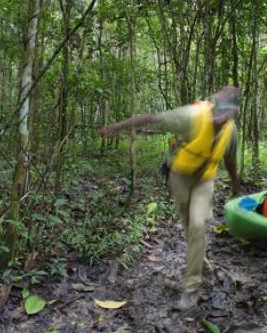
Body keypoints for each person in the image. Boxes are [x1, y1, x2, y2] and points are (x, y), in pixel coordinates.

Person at [101, 86, 241, 311]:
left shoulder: (231, 131)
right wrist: (116, 127)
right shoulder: (191, 117)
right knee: (189, 229)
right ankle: (205, 267)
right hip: (180, 175)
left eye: (227, 114)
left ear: (233, 113)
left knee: (197, 226)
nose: (221, 118)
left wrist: (235, 184)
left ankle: (191, 288)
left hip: (205, 180)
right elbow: (151, 119)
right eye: (218, 112)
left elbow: (231, 158)